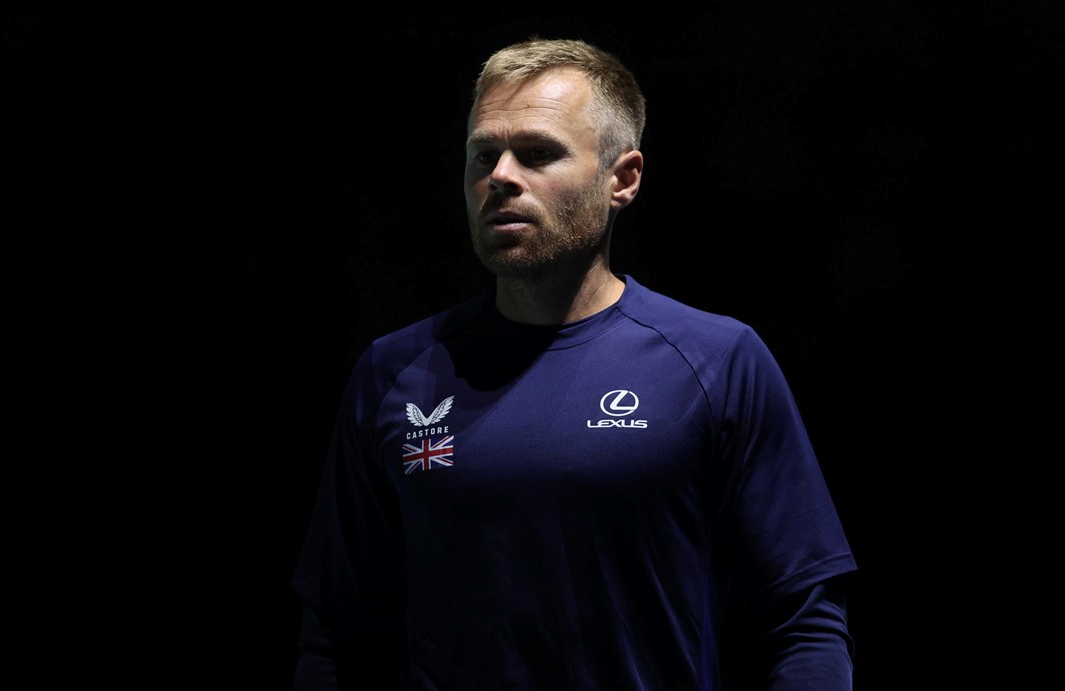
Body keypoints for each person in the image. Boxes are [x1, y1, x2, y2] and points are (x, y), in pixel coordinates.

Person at [291, 37, 858, 690]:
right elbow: (335, 634)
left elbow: (804, 624)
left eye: (537, 154)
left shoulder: (717, 362)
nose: (500, 176)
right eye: (483, 155)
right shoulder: (393, 373)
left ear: (623, 179)